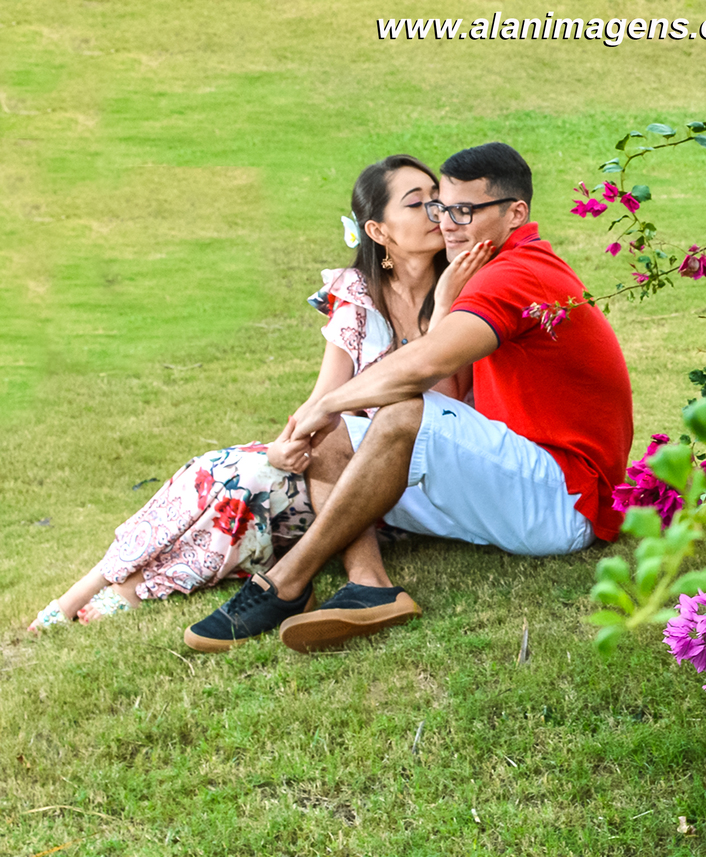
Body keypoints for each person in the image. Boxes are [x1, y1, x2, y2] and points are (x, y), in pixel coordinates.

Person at [184, 142, 635, 654]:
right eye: (443, 207)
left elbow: (424, 367)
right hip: (516, 481)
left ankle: (286, 583)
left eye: (466, 211)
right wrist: (330, 415)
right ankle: (370, 586)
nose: (447, 223)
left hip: (564, 500)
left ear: (516, 213)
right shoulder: (485, 269)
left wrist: (324, 404)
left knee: (401, 411)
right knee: (337, 439)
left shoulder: (516, 272)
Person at [28, 154, 491, 632]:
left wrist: (444, 305)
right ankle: (98, 589)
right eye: (419, 204)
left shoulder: (465, 283)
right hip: (335, 468)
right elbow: (324, 400)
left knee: (245, 482)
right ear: (378, 232)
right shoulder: (357, 293)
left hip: (398, 475)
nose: (439, 213)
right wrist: (289, 443)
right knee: (228, 474)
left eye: (440, 200)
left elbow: (445, 406)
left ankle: (126, 590)